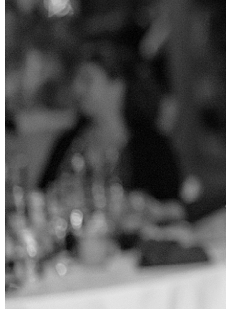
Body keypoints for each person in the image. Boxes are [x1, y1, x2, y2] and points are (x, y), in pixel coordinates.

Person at [39, 40, 183, 203]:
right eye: (76, 79)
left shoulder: (151, 145)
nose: (77, 88)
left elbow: (175, 207)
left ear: (117, 86)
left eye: (87, 80)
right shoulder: (67, 142)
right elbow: (41, 197)